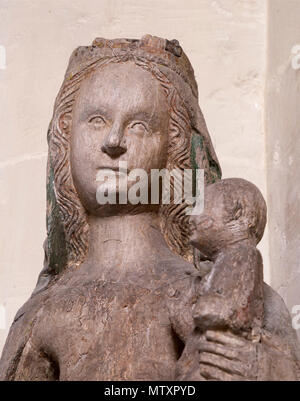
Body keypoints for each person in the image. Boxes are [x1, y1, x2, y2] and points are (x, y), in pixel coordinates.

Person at [0, 35, 299, 381]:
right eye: (96, 119)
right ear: (63, 142)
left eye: (139, 125)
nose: (113, 141)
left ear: (173, 149)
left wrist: (258, 367)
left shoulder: (221, 287)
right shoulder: (42, 311)